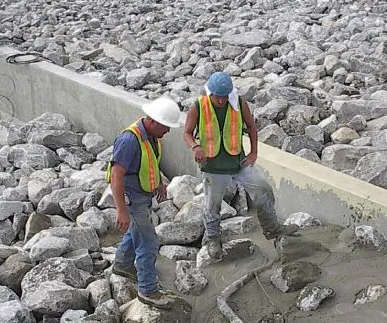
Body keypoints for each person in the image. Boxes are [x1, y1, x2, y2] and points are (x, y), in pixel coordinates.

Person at [183, 72, 298, 259]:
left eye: (224, 97)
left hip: (238, 161)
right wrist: (195, 147)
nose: (221, 101)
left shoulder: (238, 104)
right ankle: (213, 238)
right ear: (210, 93)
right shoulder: (199, 106)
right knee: (212, 204)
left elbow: (252, 127)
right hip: (212, 165)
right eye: (218, 97)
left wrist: (254, 153)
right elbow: (187, 133)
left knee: (263, 189)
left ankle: (271, 227)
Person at [106, 97, 182, 309]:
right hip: (132, 200)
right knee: (148, 242)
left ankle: (121, 265)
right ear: (154, 121)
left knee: (135, 233)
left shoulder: (151, 137)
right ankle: (148, 290)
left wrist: (158, 183)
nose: (168, 131)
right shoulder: (129, 140)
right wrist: (121, 210)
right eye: (166, 127)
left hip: (142, 195)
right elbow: (116, 175)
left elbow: (149, 162)